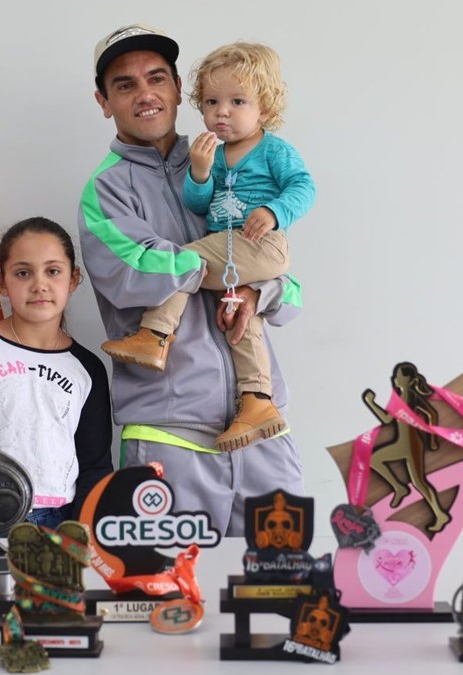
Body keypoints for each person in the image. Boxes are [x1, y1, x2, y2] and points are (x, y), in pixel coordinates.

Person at [78, 24, 304, 536]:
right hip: (169, 438)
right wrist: (231, 265)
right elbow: (138, 272)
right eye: (125, 85)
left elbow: (288, 288)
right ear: (103, 101)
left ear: (180, 89)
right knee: (164, 584)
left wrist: (259, 290)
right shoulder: (104, 192)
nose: (145, 94)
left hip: (263, 426)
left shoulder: (234, 159)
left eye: (157, 78)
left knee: (285, 580)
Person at [101, 41, 315, 452]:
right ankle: (258, 400)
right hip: (230, 255)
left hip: (258, 244)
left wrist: (274, 212)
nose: (222, 112)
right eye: (213, 102)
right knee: (242, 324)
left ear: (265, 108)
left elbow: (304, 187)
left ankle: (155, 334)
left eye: (237, 102)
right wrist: (199, 173)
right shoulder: (210, 156)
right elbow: (199, 203)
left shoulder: (274, 150)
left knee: (185, 259)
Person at [0, 217, 113, 530]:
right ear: (1, 282)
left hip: (58, 521)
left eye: (53, 271)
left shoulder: (88, 368)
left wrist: (83, 530)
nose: (39, 285)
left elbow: (95, 465)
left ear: (73, 279)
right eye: (23, 273)